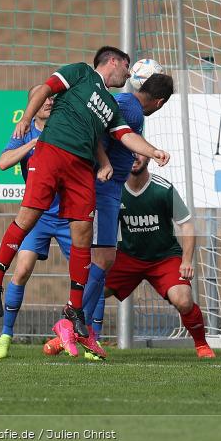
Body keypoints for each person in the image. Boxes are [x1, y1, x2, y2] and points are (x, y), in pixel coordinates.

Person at [0, 46, 170, 356]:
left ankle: (74, 310)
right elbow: (45, 88)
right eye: (126, 66)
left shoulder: (111, 105)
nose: (128, 73)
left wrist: (152, 151)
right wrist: (26, 119)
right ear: (114, 61)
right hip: (52, 153)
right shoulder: (80, 72)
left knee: (83, 233)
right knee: (28, 218)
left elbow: (120, 135)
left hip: (81, 168)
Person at [45, 154, 215, 359]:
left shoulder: (163, 189)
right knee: (90, 287)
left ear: (149, 158)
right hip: (127, 258)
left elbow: (187, 224)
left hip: (164, 258)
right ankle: (68, 335)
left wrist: (187, 260)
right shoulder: (114, 190)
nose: (135, 156)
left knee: (184, 300)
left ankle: (202, 345)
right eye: (130, 152)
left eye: (140, 152)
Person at [75, 73, 174, 359]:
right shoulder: (129, 107)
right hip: (100, 189)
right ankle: (72, 320)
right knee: (98, 260)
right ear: (160, 101)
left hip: (109, 190)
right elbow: (95, 130)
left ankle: (83, 329)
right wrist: (103, 162)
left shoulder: (128, 106)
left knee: (104, 260)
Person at [0, 88, 73, 359]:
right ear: (32, 105)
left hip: (70, 215)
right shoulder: (24, 133)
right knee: (22, 269)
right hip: (38, 215)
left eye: (52, 98)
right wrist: (31, 145)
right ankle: (5, 335)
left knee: (90, 276)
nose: (49, 101)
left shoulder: (65, 130)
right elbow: (2, 162)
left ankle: (83, 335)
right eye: (43, 98)